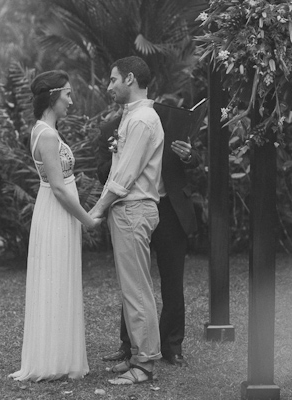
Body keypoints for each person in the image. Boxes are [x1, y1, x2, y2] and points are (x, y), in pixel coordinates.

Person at [9, 70, 102, 382]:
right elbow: (60, 188)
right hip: (56, 212)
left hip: (56, 213)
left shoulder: (44, 130)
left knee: (60, 279)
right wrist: (88, 219)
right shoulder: (46, 135)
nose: (71, 101)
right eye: (68, 94)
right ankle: (51, 360)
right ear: (53, 96)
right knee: (54, 280)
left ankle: (60, 355)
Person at [96, 102, 201, 368]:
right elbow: (101, 174)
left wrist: (189, 155)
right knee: (134, 279)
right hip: (135, 206)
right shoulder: (111, 129)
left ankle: (172, 346)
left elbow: (196, 163)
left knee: (173, 281)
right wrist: (117, 155)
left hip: (170, 210)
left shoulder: (166, 124)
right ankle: (128, 344)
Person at [89, 56, 164, 385]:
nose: (109, 86)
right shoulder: (133, 117)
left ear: (130, 79)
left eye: (113, 79)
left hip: (133, 209)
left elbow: (124, 175)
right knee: (131, 288)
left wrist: (97, 209)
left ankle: (144, 364)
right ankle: (138, 354)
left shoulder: (142, 120)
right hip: (128, 210)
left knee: (136, 290)